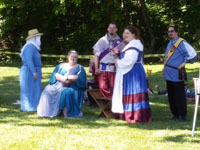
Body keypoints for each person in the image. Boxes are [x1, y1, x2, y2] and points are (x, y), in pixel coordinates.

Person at [111, 25, 152, 123]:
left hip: (133, 72)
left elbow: (130, 60)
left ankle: (135, 115)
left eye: (127, 33)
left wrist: (117, 61)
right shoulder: (131, 44)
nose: (124, 35)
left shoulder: (134, 45)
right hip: (131, 70)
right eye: (124, 33)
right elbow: (128, 56)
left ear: (134, 35)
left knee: (133, 91)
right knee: (130, 91)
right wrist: (119, 53)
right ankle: (130, 113)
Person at [37, 50, 87, 118]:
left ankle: (65, 114)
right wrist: (62, 79)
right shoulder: (61, 66)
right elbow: (54, 75)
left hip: (72, 86)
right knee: (47, 90)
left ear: (77, 58)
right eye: (71, 56)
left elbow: (80, 79)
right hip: (58, 84)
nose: (73, 58)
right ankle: (47, 112)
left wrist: (66, 77)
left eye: (75, 57)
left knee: (66, 92)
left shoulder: (80, 68)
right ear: (68, 57)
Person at [163, 26, 197, 122]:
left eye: (172, 31)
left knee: (179, 95)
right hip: (168, 73)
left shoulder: (181, 42)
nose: (170, 33)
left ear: (177, 32)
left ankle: (182, 115)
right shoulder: (170, 43)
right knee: (171, 95)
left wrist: (184, 63)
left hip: (177, 73)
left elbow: (192, 54)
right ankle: (175, 114)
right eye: (168, 31)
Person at [93, 22, 123, 98]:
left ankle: (111, 107)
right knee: (102, 88)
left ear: (116, 29)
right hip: (103, 68)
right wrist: (96, 68)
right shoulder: (102, 40)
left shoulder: (120, 42)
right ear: (107, 29)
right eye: (110, 28)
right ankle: (107, 107)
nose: (111, 30)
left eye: (113, 28)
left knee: (114, 87)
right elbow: (96, 55)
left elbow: (124, 56)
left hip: (115, 68)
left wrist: (119, 53)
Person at [19, 28, 43, 112]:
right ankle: (29, 107)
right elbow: (29, 60)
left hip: (32, 70)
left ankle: (33, 106)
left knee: (34, 89)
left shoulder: (32, 47)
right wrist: (34, 71)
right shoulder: (30, 47)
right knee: (30, 89)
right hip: (30, 71)